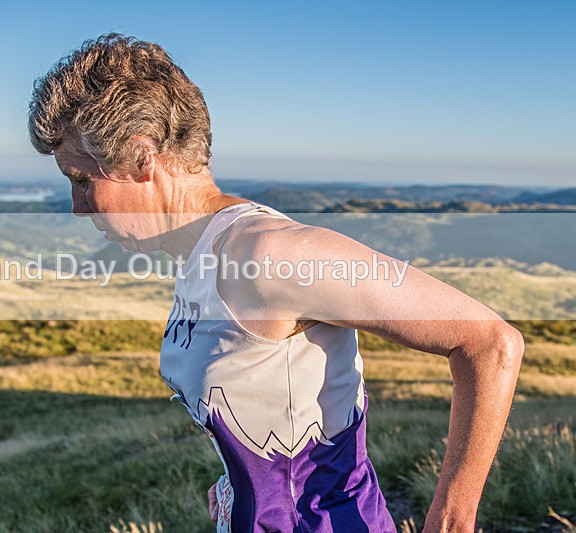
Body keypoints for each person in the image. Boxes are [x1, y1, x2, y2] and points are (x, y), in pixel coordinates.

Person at [28, 33, 525, 533]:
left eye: (82, 179)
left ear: (141, 158)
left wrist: (452, 520)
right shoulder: (205, 257)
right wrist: (238, 484)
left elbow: (489, 342)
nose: (77, 206)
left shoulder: (269, 253)